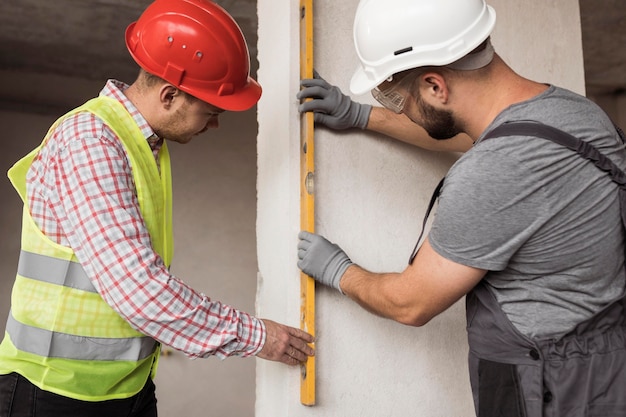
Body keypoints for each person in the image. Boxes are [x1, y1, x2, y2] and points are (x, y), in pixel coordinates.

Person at [296, 0, 626, 416]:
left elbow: (410, 303)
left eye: (398, 99)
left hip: (547, 388)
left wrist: (340, 272)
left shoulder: (493, 172)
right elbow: (482, 137)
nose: (401, 109)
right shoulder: (571, 112)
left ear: (436, 86)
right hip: (609, 364)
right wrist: (361, 116)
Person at [0, 0, 314, 415]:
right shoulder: (91, 142)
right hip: (53, 392)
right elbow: (140, 291)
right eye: (211, 111)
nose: (215, 124)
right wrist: (258, 337)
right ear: (170, 95)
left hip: (124, 391)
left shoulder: (145, 144)